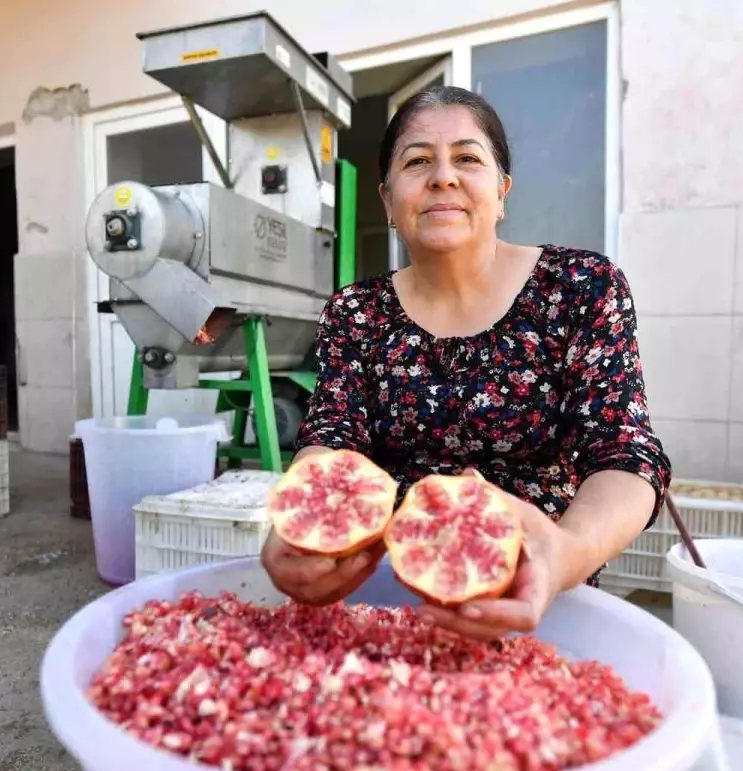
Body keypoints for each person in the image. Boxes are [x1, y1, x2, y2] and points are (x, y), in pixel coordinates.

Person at [260, 85, 672, 640]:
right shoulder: (355, 312)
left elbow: (626, 453)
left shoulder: (582, 289)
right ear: (387, 200)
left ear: (502, 192)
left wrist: (567, 552)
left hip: (541, 597)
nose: (443, 177)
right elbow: (333, 438)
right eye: (418, 161)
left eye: (468, 158)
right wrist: (303, 518)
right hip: (388, 596)